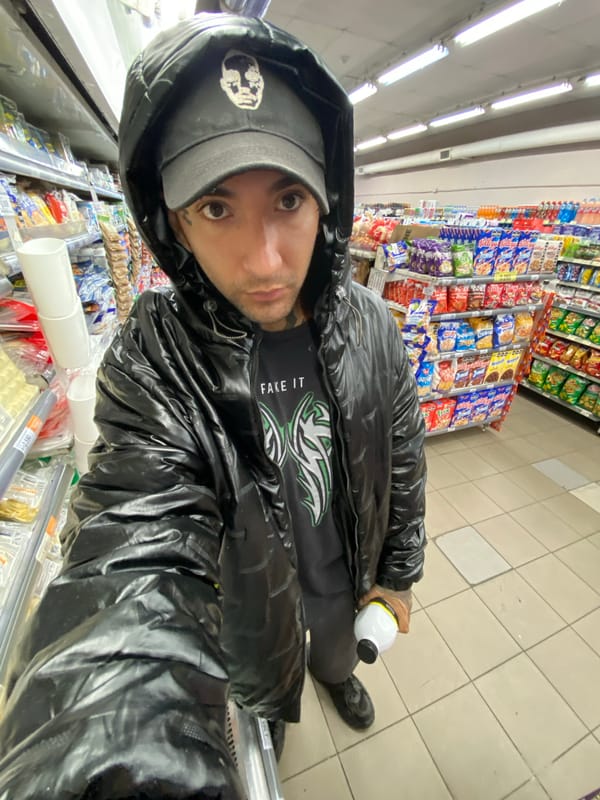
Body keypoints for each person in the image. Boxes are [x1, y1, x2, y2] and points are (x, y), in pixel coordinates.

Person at [0, 13, 426, 799]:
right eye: (218, 208)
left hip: (346, 573)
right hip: (250, 599)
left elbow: (402, 453)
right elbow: (130, 550)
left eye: (289, 199)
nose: (264, 261)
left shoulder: (371, 326)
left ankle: (337, 679)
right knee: (268, 690)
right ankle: (280, 714)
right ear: (174, 224)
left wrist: (397, 576)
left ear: (328, 202)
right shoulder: (156, 359)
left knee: (337, 654)